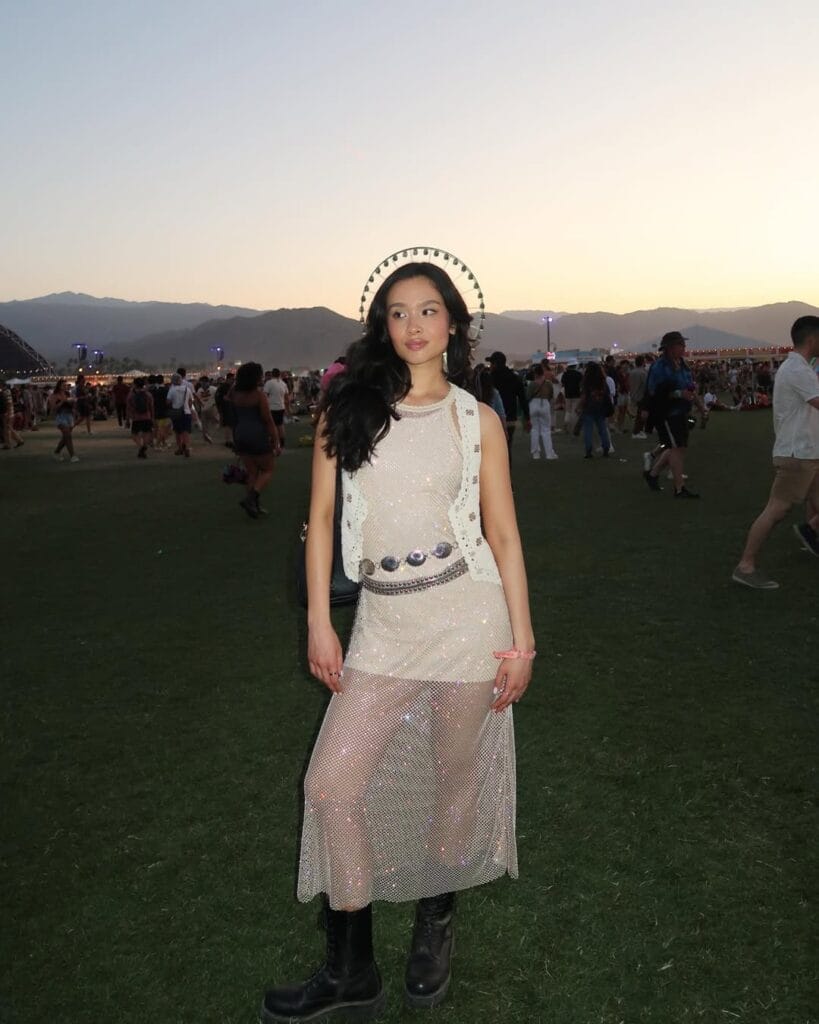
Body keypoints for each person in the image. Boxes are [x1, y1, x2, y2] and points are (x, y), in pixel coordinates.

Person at [260, 259, 534, 1022]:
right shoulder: (346, 410)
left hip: (467, 624)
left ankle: (433, 928)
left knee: (453, 778)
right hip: (380, 628)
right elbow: (319, 520)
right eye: (398, 312)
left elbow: (504, 536)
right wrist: (319, 621)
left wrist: (522, 641)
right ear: (382, 326)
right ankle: (350, 969)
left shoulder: (476, 421)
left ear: (453, 324)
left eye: (428, 310)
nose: (413, 325)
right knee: (331, 785)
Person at [733, 316, 819, 588]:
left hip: (807, 451)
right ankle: (745, 566)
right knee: (776, 510)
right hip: (798, 454)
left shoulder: (799, 367)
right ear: (812, 339)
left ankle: (810, 531)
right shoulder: (797, 370)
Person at [642, 332, 705, 498]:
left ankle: (653, 474)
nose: (684, 347)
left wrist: (700, 406)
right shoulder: (660, 367)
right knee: (676, 448)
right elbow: (654, 392)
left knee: (678, 447)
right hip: (667, 413)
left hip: (681, 411)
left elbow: (690, 388)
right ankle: (679, 488)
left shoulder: (682, 364)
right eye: (681, 344)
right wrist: (678, 394)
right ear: (670, 348)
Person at [229, 362, 280, 518]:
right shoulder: (258, 395)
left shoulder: (235, 394)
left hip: (240, 433)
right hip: (257, 434)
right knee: (268, 470)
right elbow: (267, 420)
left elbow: (232, 413)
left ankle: (254, 506)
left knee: (252, 472)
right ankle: (251, 499)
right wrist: (276, 440)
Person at [487, 350, 530, 456]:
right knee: (507, 446)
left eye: (491, 363)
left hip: (493, 417)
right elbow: (523, 399)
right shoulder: (515, 378)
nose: (490, 366)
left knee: (493, 448)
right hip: (510, 418)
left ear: (495, 364)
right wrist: (527, 417)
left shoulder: (490, 378)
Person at [577, 362, 612, 458]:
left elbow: (584, 396)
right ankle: (606, 448)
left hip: (588, 408)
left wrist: (579, 407)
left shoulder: (586, 382)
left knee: (588, 430)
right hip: (601, 407)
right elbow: (607, 394)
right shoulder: (602, 381)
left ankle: (588, 451)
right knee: (602, 429)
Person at [527, 364, 557, 459]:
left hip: (533, 404)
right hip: (544, 404)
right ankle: (549, 453)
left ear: (535, 373)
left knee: (534, 429)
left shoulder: (531, 384)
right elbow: (551, 395)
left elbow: (528, 396)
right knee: (546, 430)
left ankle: (535, 453)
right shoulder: (548, 383)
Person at [47, 380, 79, 462]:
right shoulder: (54, 395)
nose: (65, 387)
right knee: (67, 434)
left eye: (66, 385)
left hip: (69, 416)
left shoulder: (68, 394)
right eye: (63, 385)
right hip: (60, 416)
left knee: (66, 437)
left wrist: (73, 402)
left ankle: (56, 452)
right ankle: (72, 455)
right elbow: (53, 408)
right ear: (59, 386)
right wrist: (62, 401)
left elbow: (73, 406)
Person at [126, 377, 154, 459]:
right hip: (147, 416)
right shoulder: (148, 394)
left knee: (134, 434)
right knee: (146, 433)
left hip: (136, 417)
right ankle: (144, 446)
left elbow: (128, 408)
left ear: (135, 384)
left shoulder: (131, 395)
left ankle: (140, 446)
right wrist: (152, 417)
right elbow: (151, 407)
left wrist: (127, 419)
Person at [166, 373, 193, 456]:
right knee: (186, 432)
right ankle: (187, 448)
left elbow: (168, 402)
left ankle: (180, 448)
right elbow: (190, 401)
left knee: (178, 432)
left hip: (176, 413)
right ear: (180, 380)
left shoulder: (172, 390)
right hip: (186, 412)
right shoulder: (187, 389)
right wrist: (188, 409)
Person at [263, 367, 290, 449]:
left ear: (272, 374)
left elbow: (264, 395)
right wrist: (287, 409)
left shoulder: (269, 383)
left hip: (272, 407)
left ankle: (274, 441)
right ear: (279, 374)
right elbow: (287, 397)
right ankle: (282, 442)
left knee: (272, 425)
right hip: (281, 407)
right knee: (280, 425)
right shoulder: (283, 384)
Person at [560, 362, 582, 433]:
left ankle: (566, 424)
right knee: (574, 411)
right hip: (577, 394)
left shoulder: (565, 374)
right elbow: (581, 384)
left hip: (567, 394)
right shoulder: (578, 374)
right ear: (575, 366)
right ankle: (574, 427)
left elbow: (562, 383)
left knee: (568, 411)